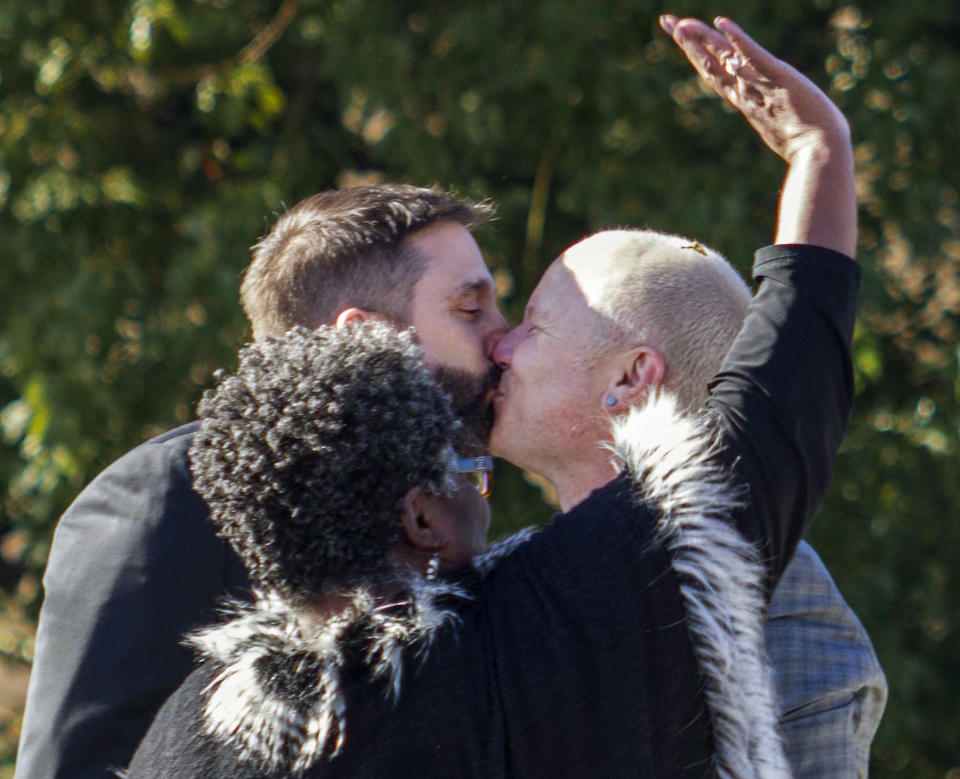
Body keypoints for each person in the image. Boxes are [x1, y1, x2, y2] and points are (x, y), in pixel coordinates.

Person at [128, 15, 861, 778]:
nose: (501, 342)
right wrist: (819, 154)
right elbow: (775, 417)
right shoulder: (512, 648)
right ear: (418, 516)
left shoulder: (187, 728)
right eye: (472, 309)